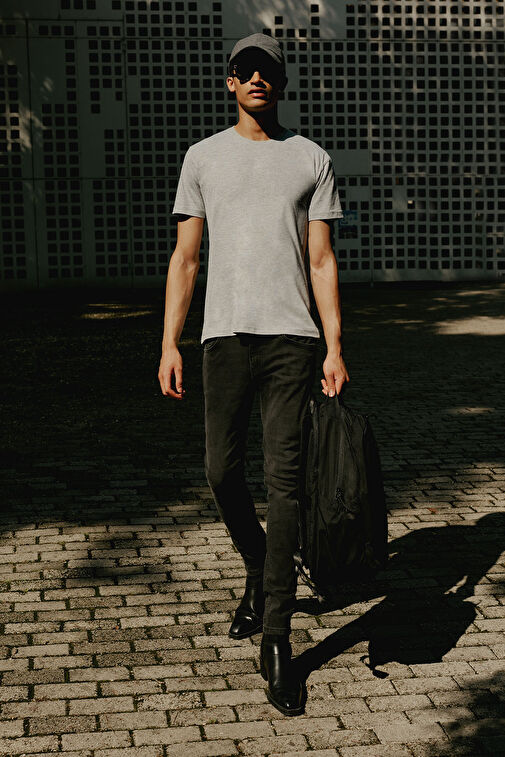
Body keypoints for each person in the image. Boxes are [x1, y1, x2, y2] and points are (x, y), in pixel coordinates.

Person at [158, 32, 350, 716]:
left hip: (292, 340)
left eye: (267, 70)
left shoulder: (310, 158)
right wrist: (169, 343)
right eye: (246, 70)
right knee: (220, 470)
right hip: (222, 339)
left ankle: (277, 638)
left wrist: (333, 345)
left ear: (280, 82)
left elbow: (321, 259)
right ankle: (258, 563)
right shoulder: (202, 157)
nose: (257, 79)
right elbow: (185, 258)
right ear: (231, 83)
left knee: (285, 484)